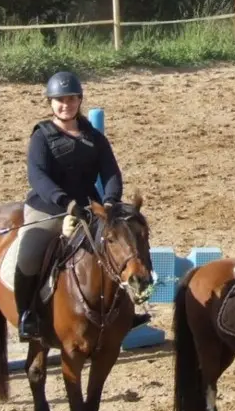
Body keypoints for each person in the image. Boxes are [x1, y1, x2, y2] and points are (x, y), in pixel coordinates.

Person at [17, 71, 142, 340]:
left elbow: (111, 173)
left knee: (126, 244)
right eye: (60, 100)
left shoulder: (94, 137)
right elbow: (37, 176)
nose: (66, 104)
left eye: (71, 99)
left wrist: (109, 201)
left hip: (89, 209)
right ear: (51, 102)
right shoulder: (41, 136)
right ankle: (26, 314)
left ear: (79, 101)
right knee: (29, 254)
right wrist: (65, 202)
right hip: (49, 206)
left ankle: (130, 307)